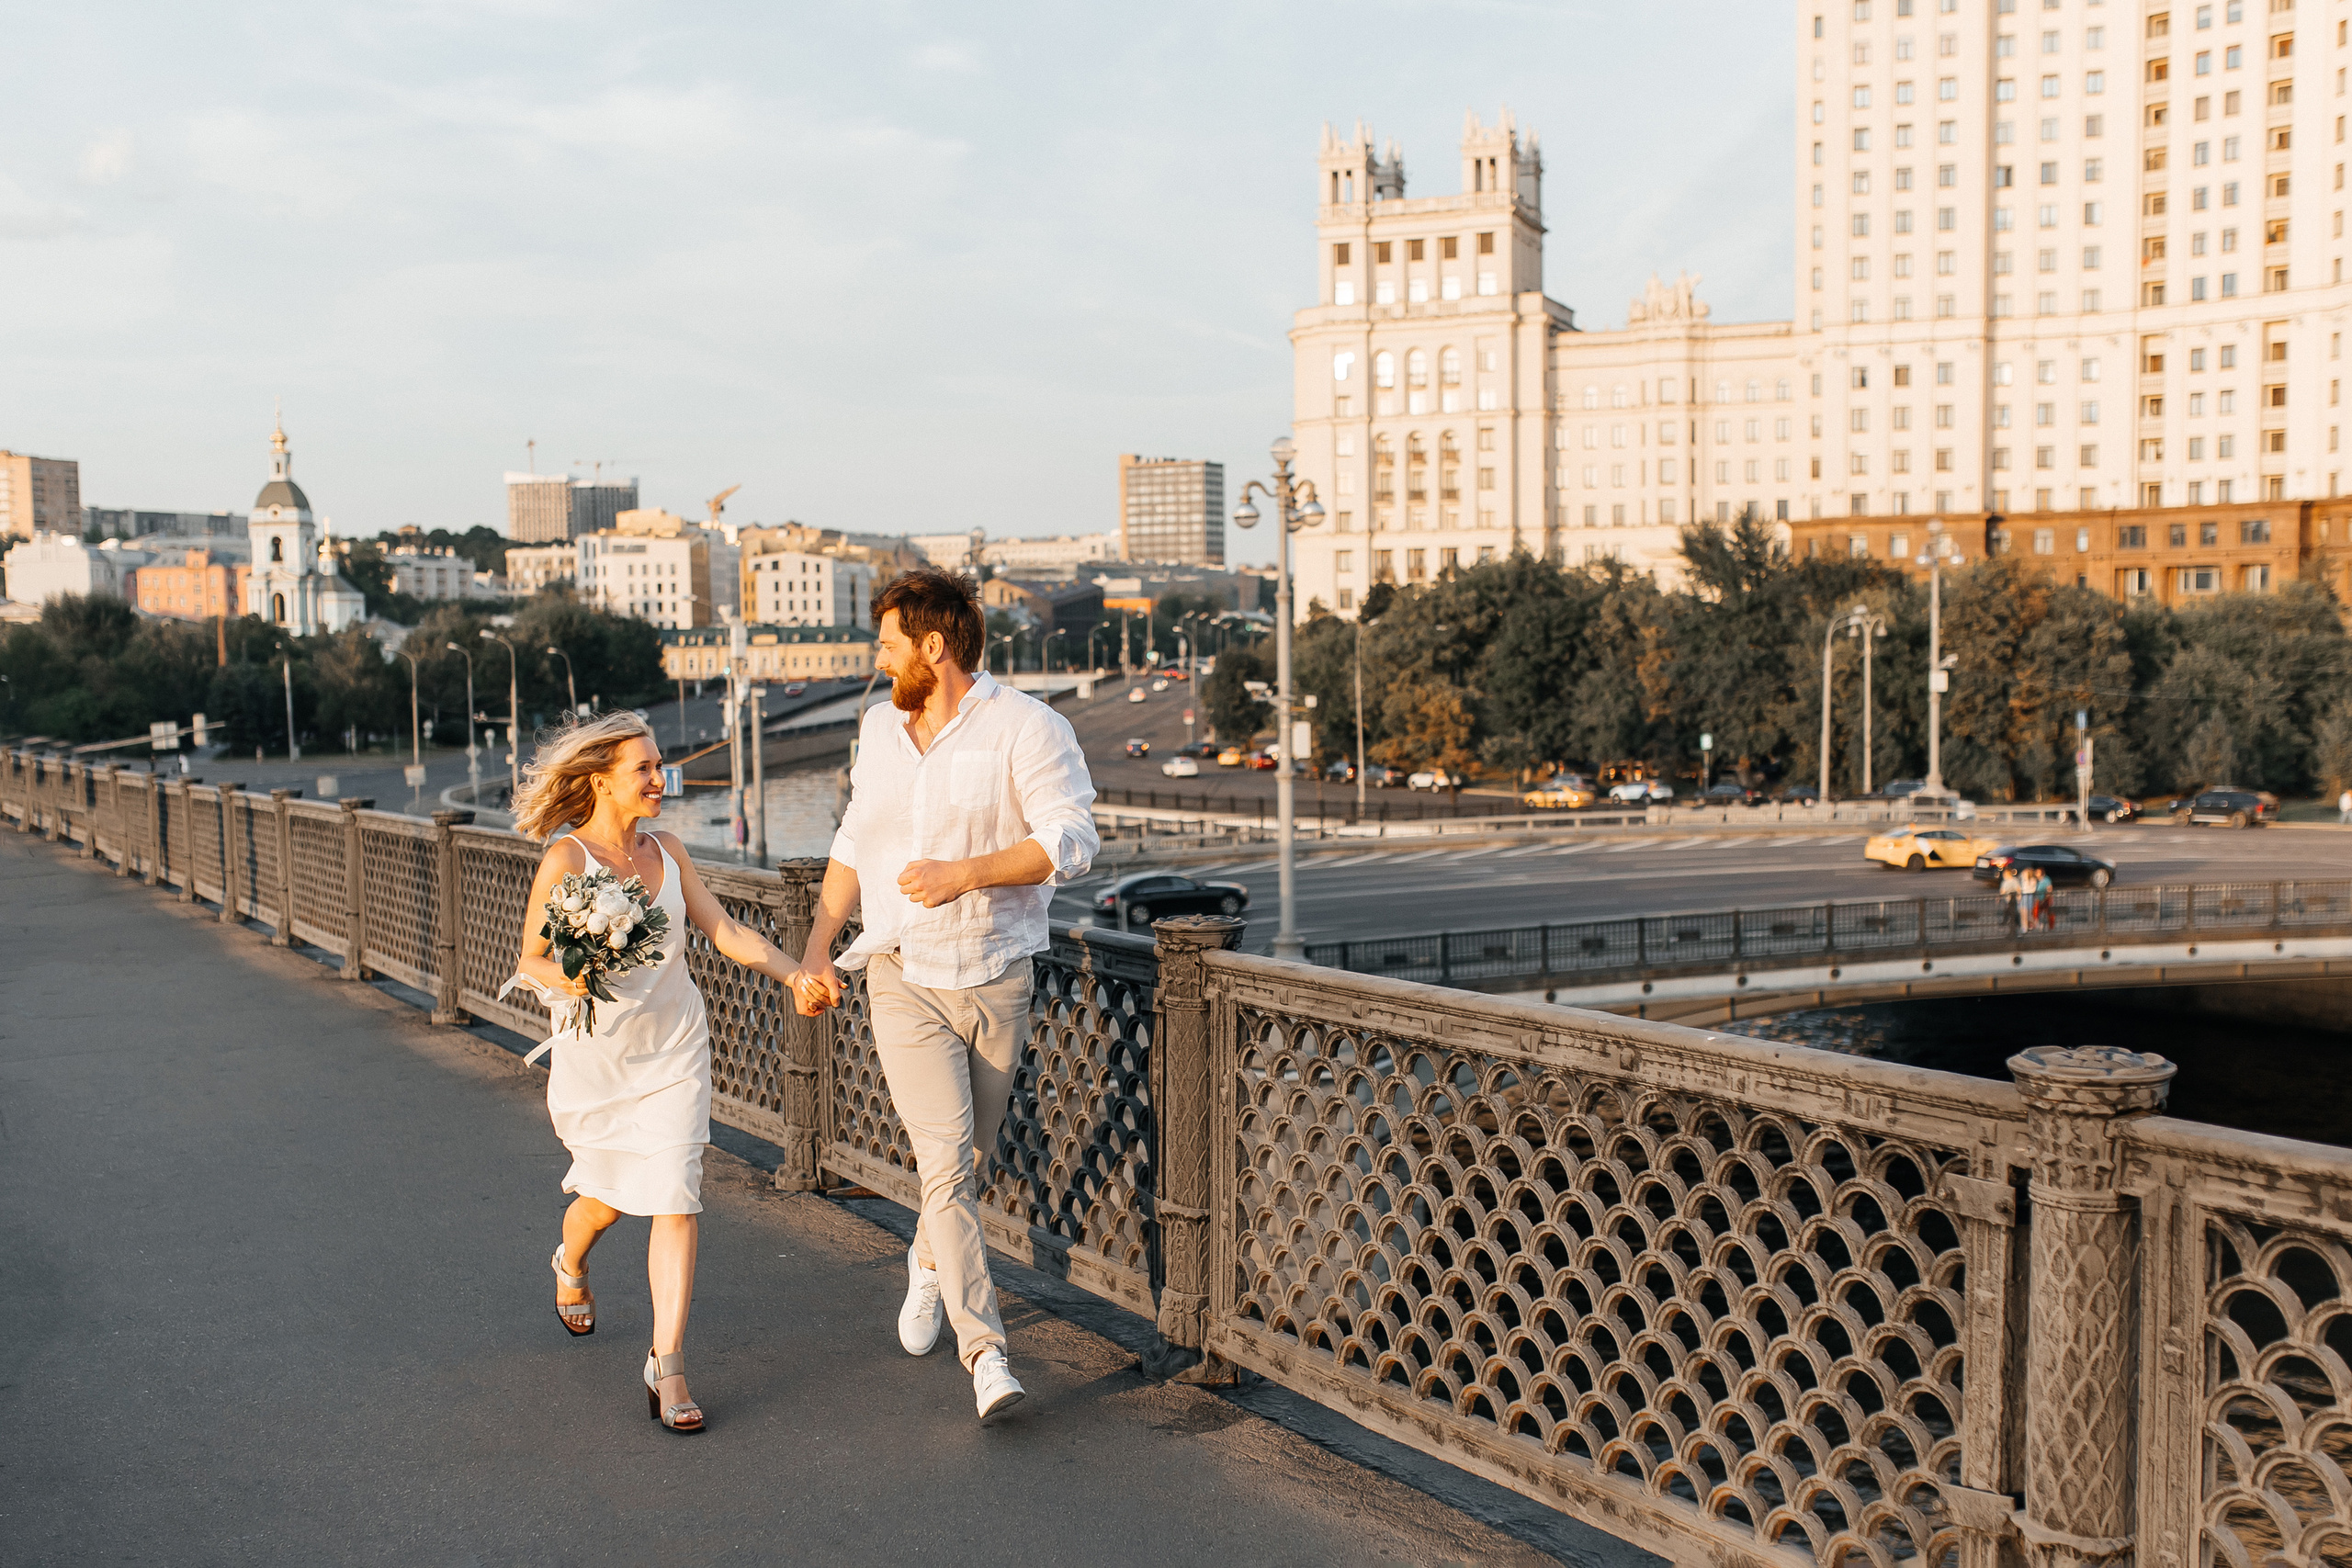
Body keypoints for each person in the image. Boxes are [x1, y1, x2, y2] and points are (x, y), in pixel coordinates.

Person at [789, 567, 1097, 1423]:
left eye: (888, 644)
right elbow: (854, 840)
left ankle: (929, 1261)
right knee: (947, 1163)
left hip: (994, 974)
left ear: (934, 647)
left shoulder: (1028, 727)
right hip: (900, 974)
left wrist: (968, 874)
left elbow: (1071, 839)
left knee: (964, 1165)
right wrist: (817, 947)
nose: (878, 660)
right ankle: (986, 1352)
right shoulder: (879, 731)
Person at [506, 711, 804, 1435]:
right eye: (643, 767)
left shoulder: (668, 850)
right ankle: (570, 1257)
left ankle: (666, 1363)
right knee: (607, 1199)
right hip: (601, 1060)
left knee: (675, 1191)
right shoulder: (566, 860)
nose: (658, 777)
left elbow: (723, 928)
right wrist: (571, 976)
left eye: (659, 763)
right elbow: (531, 960)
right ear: (602, 777)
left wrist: (794, 973)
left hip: (674, 1049)